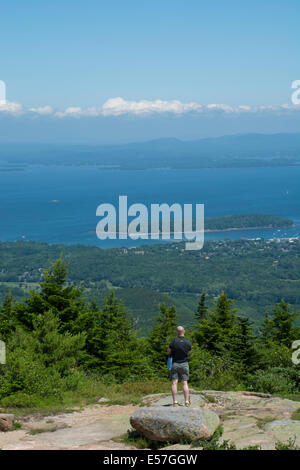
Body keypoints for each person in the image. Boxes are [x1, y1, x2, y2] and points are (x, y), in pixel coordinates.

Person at [167, 326, 192, 407]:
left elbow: (169, 351)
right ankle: (187, 402)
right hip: (184, 363)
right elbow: (188, 352)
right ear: (184, 331)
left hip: (175, 363)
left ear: (177, 332)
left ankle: (175, 402)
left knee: (174, 383)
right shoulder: (188, 342)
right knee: (185, 383)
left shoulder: (173, 341)